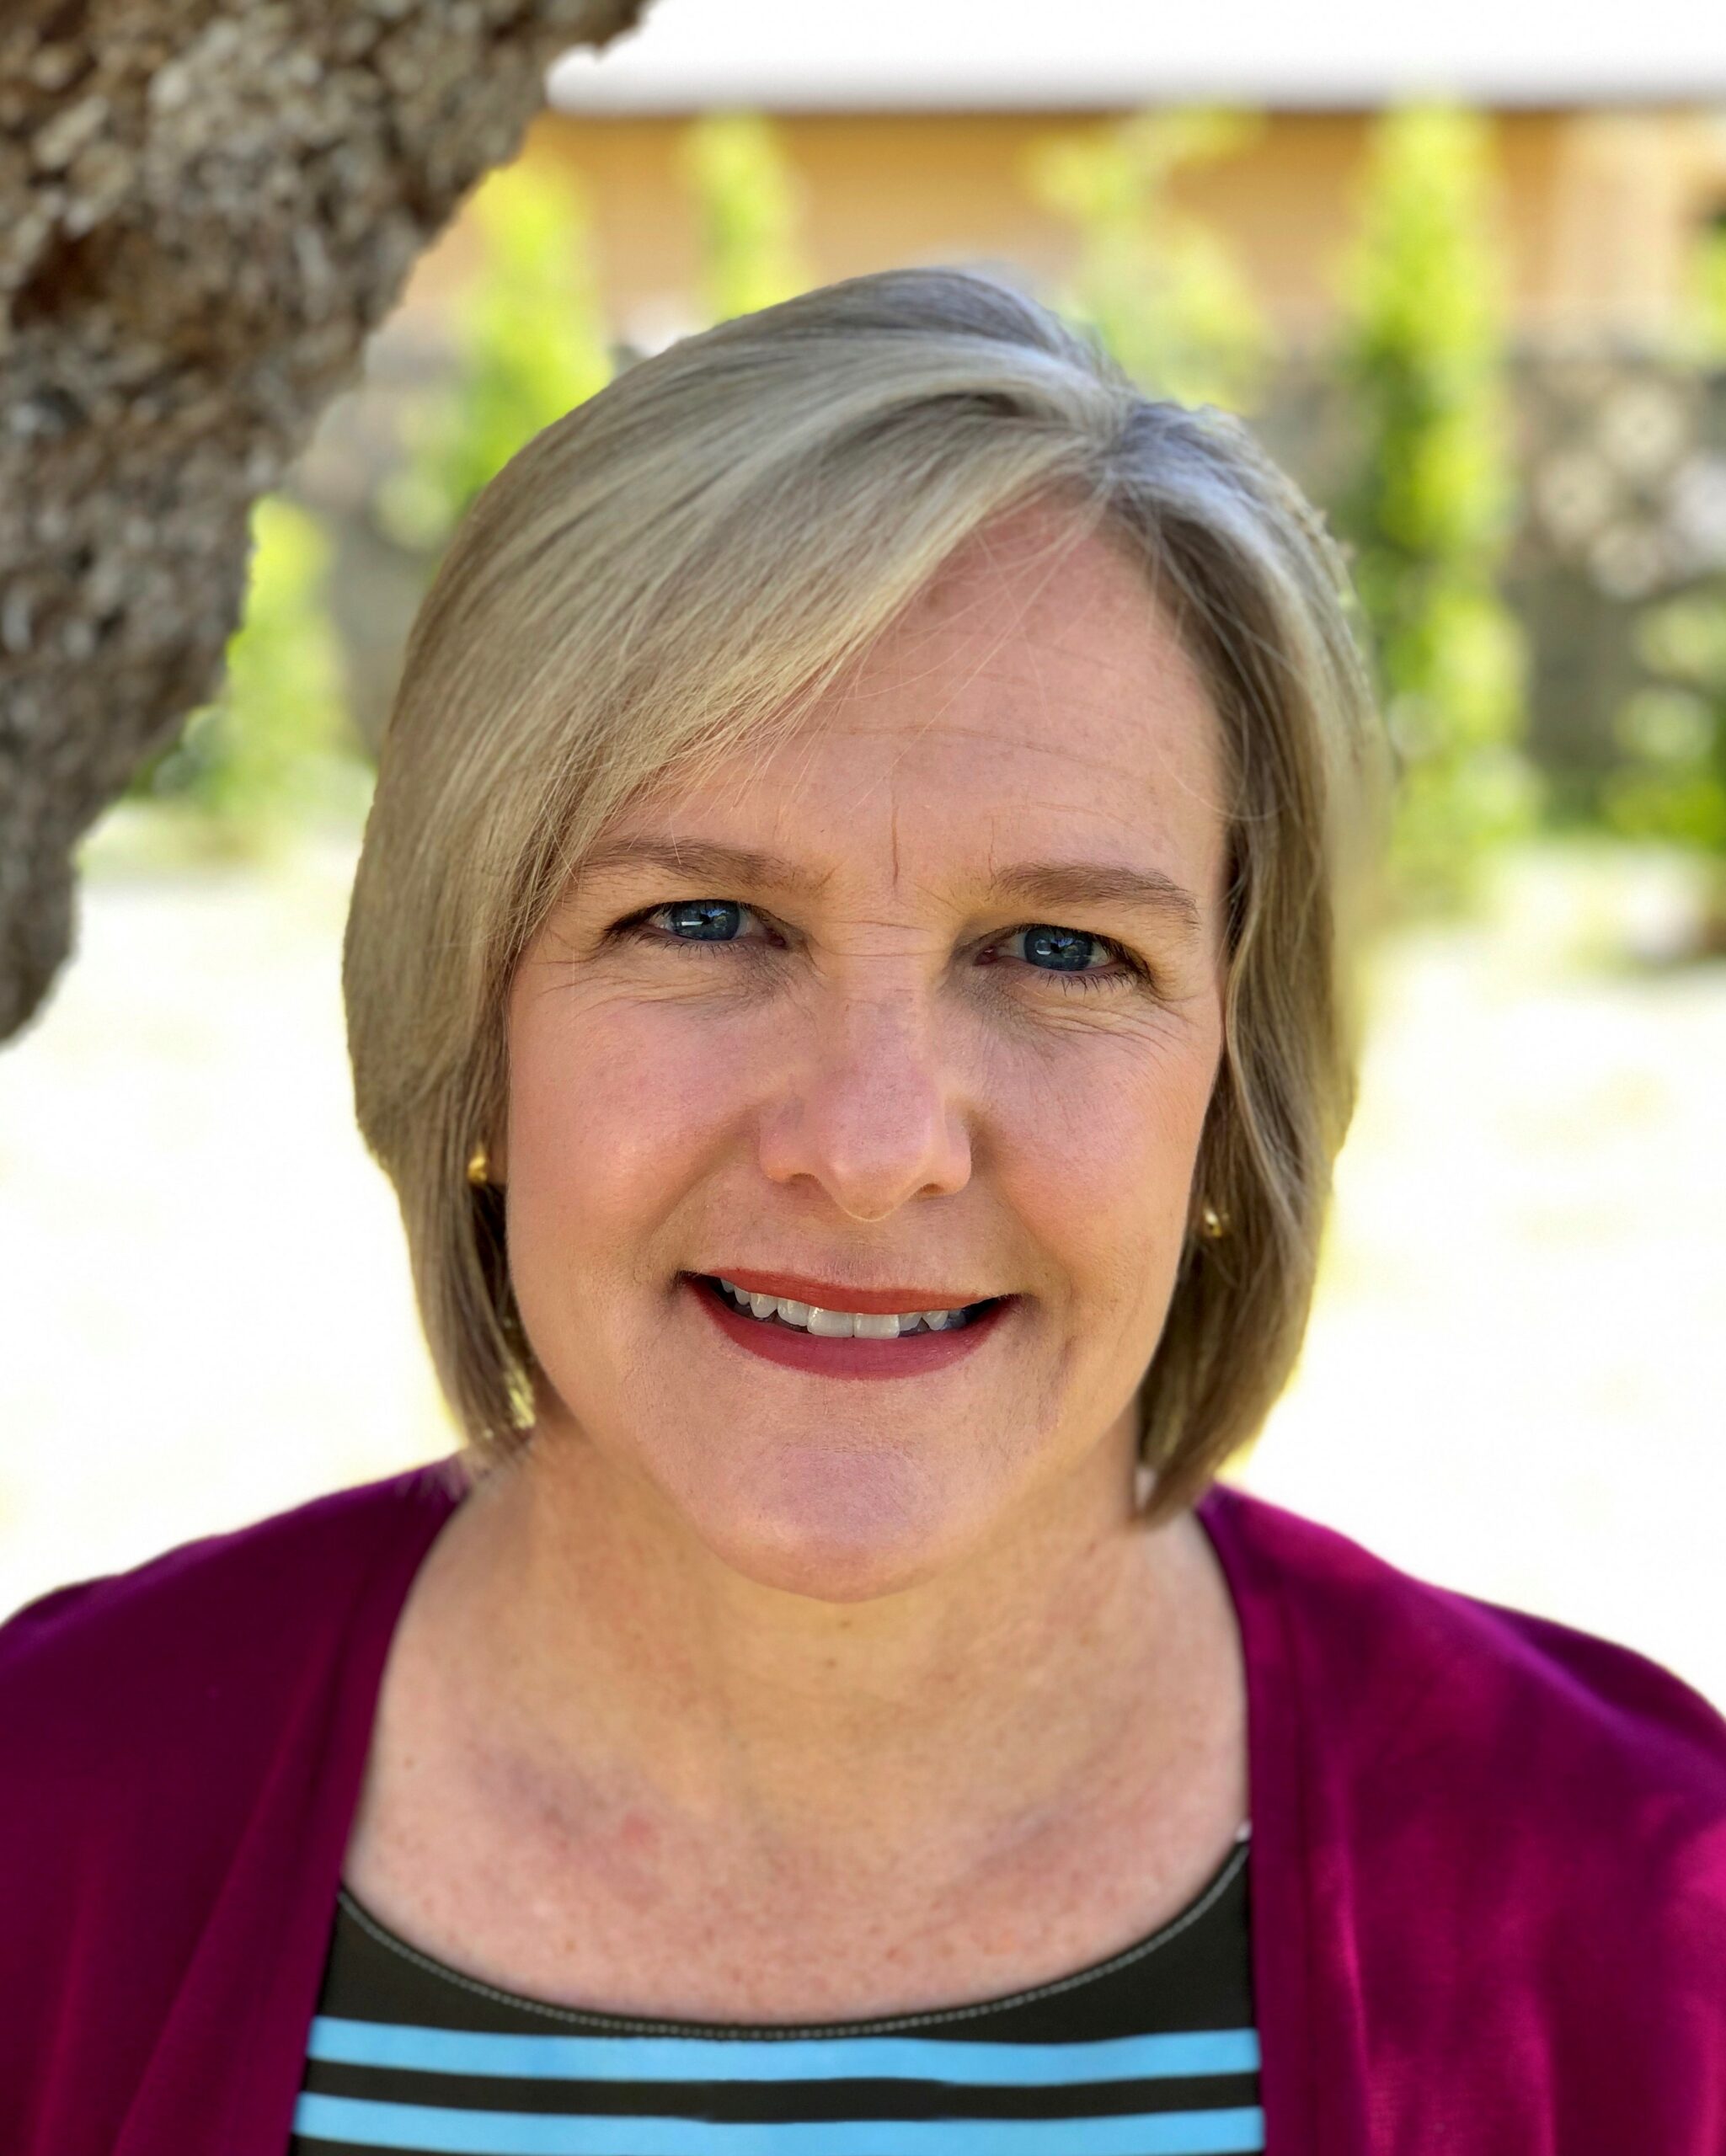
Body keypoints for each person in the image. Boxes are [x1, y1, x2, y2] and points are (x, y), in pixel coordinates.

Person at [3, 269, 1723, 2156]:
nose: (874, 1139)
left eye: (1059, 947)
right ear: (469, 1018)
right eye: (701, 921)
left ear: (1235, 1085)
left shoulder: (1644, 1913)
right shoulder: (47, 1821)